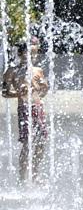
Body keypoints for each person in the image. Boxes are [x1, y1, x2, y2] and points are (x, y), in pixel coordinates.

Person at [2, 39, 48, 183]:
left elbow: (43, 91)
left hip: (38, 108)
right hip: (24, 109)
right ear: (21, 53)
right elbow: (4, 92)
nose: (33, 56)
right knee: (27, 143)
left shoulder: (38, 71)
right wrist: (19, 94)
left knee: (41, 143)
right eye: (30, 53)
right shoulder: (11, 71)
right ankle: (22, 177)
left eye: (34, 53)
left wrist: (42, 89)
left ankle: (35, 175)